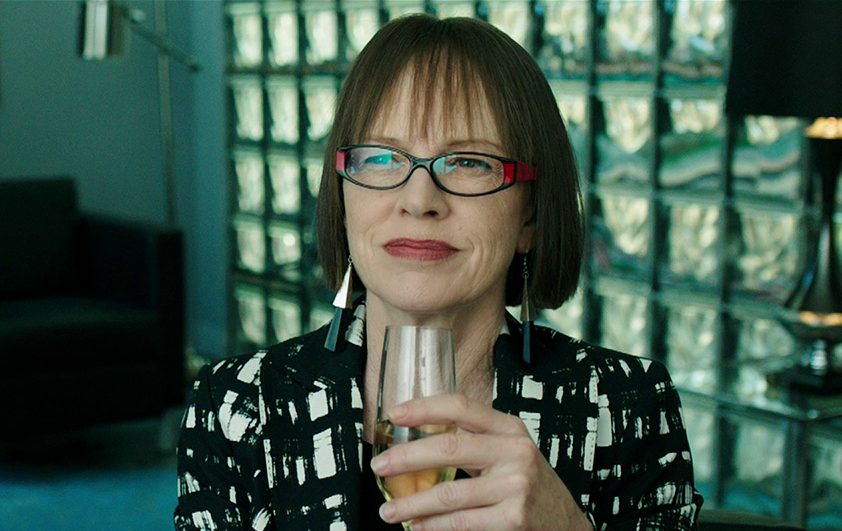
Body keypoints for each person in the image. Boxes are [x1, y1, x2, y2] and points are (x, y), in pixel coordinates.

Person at [174, 14, 703, 531]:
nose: (419, 199)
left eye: (469, 161)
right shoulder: (237, 405)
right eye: (382, 157)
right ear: (343, 198)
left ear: (530, 218)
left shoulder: (627, 406)